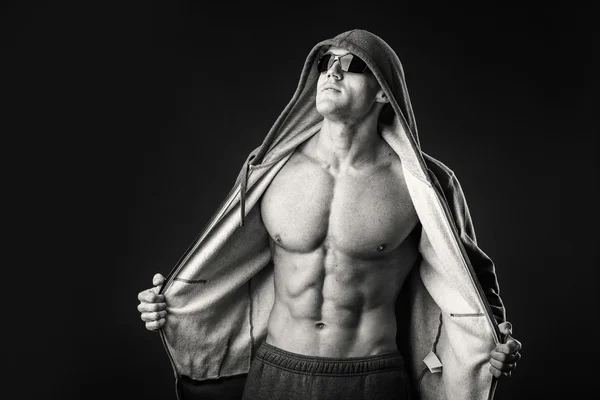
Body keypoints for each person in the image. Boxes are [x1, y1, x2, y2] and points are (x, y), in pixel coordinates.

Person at [137, 29, 522, 400]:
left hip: (372, 377)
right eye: (326, 63)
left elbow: (468, 275)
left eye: (352, 65)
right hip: (276, 373)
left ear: (384, 94)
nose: (332, 72)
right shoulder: (270, 171)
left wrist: (493, 338)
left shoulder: (422, 183)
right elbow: (221, 260)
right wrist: (172, 298)